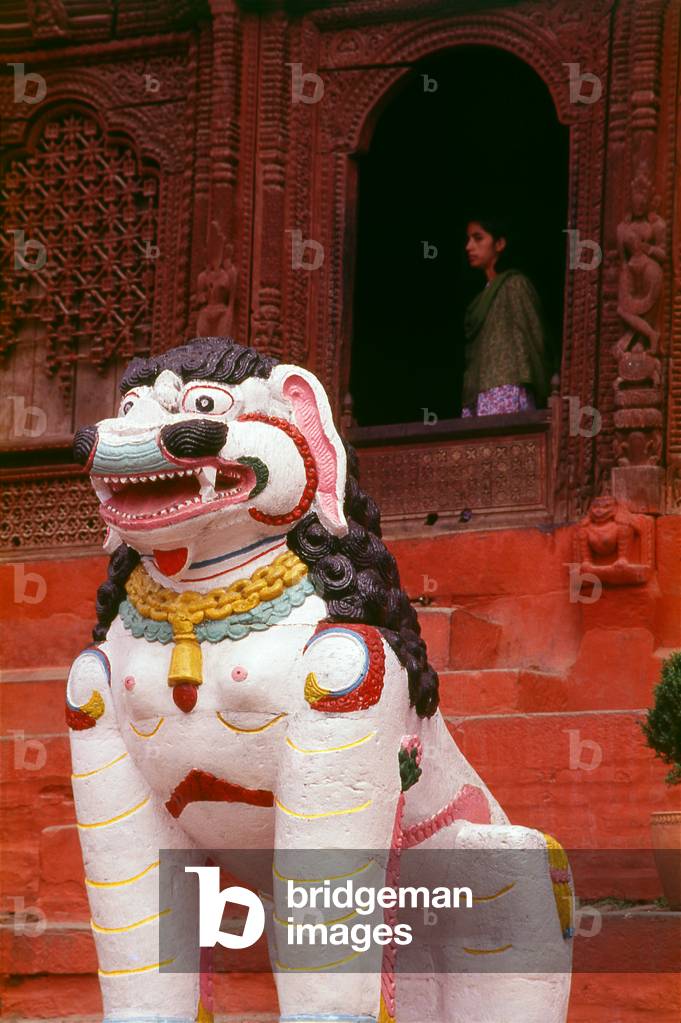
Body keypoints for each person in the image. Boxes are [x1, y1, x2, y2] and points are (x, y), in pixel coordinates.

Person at [460, 215, 550, 417]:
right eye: (468, 239)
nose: (469, 246)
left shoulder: (515, 285)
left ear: (499, 244)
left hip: (508, 391)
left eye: (478, 238)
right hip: (479, 393)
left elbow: (535, 338)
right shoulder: (482, 296)